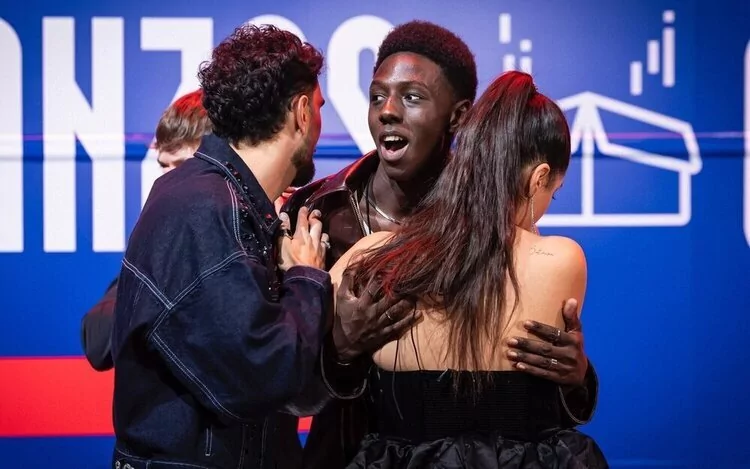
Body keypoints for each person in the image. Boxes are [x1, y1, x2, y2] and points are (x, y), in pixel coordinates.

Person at [282, 20, 598, 468]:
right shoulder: (313, 212)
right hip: (346, 452)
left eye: (412, 97)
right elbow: (275, 372)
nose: (388, 111)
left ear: (459, 116)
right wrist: (340, 346)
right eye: (377, 96)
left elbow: (525, 385)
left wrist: (575, 374)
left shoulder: (499, 230)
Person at [110, 24, 416, 469]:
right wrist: (306, 278)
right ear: (301, 113)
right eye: (319, 107)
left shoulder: (224, 203)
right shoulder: (204, 209)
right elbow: (261, 377)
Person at [81, 88, 211, 372]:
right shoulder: (159, 242)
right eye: (164, 166)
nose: (169, 180)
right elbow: (98, 342)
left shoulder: (260, 231)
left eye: (184, 166)